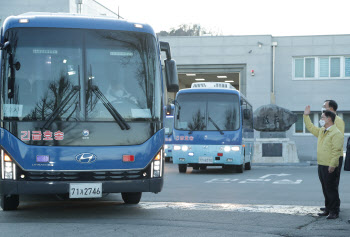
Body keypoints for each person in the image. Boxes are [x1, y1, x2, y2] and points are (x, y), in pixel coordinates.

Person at [304, 106, 344, 219]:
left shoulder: (336, 133)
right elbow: (311, 128)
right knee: (325, 188)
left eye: (322, 117)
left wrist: (332, 165)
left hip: (329, 165)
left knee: (331, 189)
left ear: (329, 119)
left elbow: (336, 151)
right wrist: (306, 116)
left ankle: (334, 211)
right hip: (321, 164)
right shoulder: (322, 131)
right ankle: (328, 208)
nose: (320, 119)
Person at [320, 100, 345, 213]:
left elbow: (337, 142)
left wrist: (333, 161)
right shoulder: (326, 123)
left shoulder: (338, 121)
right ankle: (329, 206)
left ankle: (334, 209)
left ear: (331, 109)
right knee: (326, 185)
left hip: (334, 157)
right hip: (325, 158)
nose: (322, 108)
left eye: (324, 106)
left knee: (332, 185)